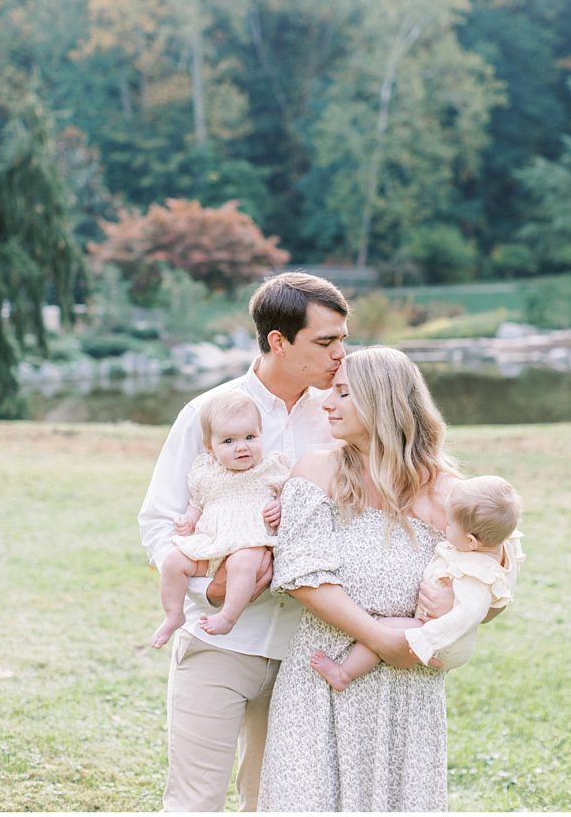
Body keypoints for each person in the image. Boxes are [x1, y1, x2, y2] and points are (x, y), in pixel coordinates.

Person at [138, 272, 350, 812]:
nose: (340, 354)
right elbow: (160, 521)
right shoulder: (208, 414)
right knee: (193, 801)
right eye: (326, 341)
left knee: (274, 802)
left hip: (307, 649)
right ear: (279, 341)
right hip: (219, 642)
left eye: (344, 338)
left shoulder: (341, 413)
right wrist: (210, 589)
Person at [258, 345, 482, 812]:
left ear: (382, 401)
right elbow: (302, 575)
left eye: (342, 393)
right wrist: (383, 639)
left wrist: (461, 614)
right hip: (319, 679)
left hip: (406, 691)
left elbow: (488, 575)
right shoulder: (317, 470)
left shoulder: (448, 492)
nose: (326, 403)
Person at [309, 474, 525, 691]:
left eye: (449, 524)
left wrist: (425, 640)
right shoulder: (475, 548)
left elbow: (468, 615)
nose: (445, 527)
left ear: (471, 541)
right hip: (440, 631)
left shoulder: (477, 573)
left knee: (383, 630)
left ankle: (343, 674)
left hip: (445, 639)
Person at [150, 389, 290, 649]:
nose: (242, 447)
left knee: (244, 562)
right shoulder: (206, 473)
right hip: (211, 544)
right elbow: (197, 504)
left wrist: (280, 504)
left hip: (248, 541)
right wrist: (188, 521)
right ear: (209, 446)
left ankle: (228, 616)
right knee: (172, 560)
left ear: (261, 434)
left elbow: (292, 493)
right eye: (229, 441)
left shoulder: (270, 469)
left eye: (250, 437)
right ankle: (173, 614)